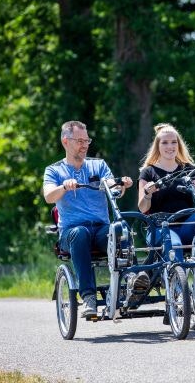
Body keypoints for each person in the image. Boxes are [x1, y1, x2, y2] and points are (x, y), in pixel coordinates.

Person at [43, 121, 134, 318]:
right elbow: (49, 196)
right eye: (80, 141)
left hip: (100, 229)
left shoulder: (98, 165)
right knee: (80, 233)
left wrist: (120, 184)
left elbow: (112, 187)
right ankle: (88, 297)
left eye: (87, 140)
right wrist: (64, 187)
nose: (85, 145)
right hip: (71, 232)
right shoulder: (54, 171)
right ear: (66, 141)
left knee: (120, 229)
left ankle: (124, 287)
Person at [138, 123, 195, 288]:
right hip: (161, 227)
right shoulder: (148, 172)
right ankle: (178, 291)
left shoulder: (189, 170)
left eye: (173, 142)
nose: (170, 146)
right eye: (165, 143)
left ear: (179, 145)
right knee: (174, 246)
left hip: (187, 225)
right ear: (158, 146)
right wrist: (148, 193)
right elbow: (142, 207)